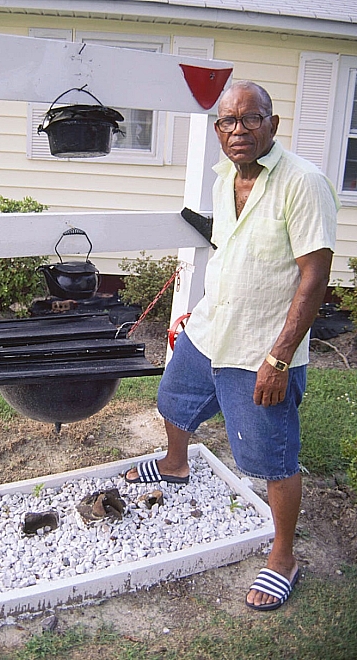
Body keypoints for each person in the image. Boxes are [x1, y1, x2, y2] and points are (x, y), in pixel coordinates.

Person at [125, 80, 340, 611]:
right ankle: (177, 463)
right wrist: (200, 306)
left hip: (261, 347)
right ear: (217, 129)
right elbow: (233, 250)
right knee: (172, 399)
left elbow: (315, 278)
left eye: (250, 119)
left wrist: (279, 357)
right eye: (227, 121)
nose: (237, 130)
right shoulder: (227, 178)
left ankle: (283, 556)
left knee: (271, 457)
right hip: (211, 327)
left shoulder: (303, 183)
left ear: (273, 123)